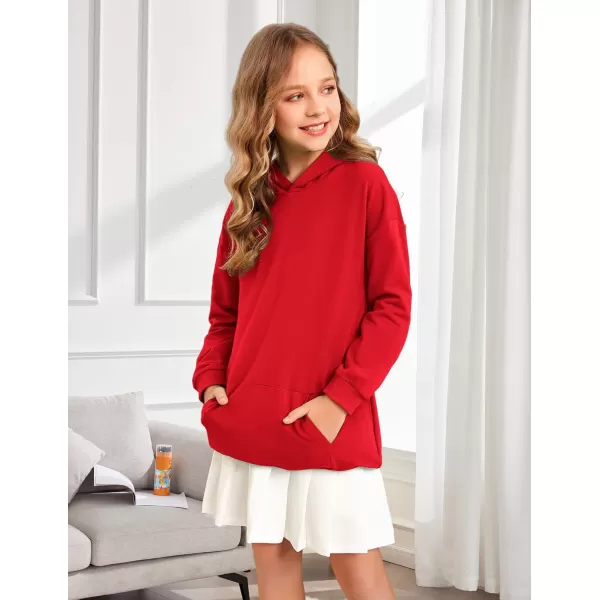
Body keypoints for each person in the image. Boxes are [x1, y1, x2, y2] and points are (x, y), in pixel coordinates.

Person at [192, 23, 412, 600]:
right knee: (274, 567)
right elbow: (225, 316)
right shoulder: (248, 201)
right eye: (296, 95)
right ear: (263, 107)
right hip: (254, 416)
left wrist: (340, 401)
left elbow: (392, 308)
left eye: (328, 88)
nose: (318, 108)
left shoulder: (365, 185)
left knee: (359, 569)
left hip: (329, 414)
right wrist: (211, 381)